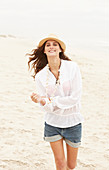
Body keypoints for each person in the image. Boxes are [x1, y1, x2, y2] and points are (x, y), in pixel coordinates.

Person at [27, 34, 84, 170]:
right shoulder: (40, 76)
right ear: (44, 51)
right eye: (48, 45)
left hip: (73, 123)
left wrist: (50, 101)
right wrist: (41, 101)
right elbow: (46, 108)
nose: (51, 47)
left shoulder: (72, 67)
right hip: (53, 123)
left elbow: (75, 97)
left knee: (71, 165)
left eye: (54, 44)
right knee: (59, 163)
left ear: (60, 50)